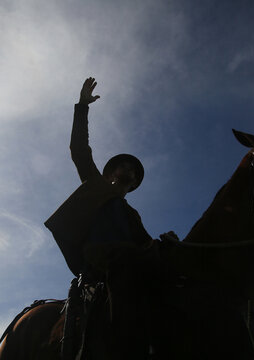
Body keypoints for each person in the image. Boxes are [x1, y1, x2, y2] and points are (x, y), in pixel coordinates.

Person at [45, 77, 160, 359]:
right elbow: (79, 150)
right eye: (122, 165)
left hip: (127, 266)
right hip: (99, 263)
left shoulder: (132, 215)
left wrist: (168, 245)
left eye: (132, 170)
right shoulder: (95, 184)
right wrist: (82, 106)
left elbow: (147, 246)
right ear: (109, 173)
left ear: (133, 184)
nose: (128, 170)